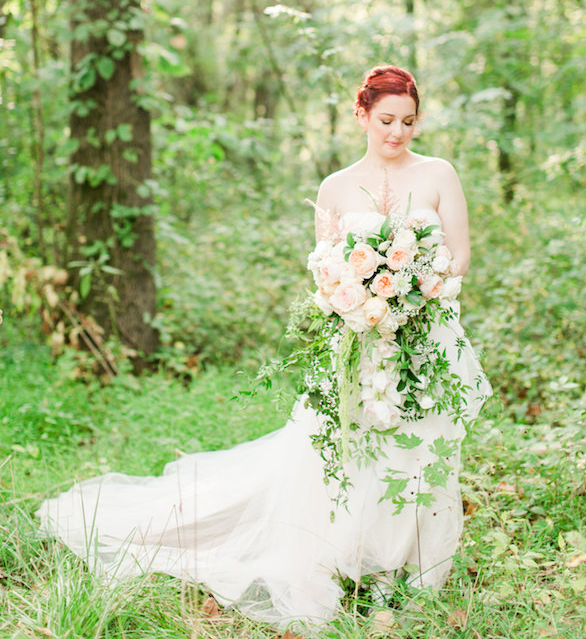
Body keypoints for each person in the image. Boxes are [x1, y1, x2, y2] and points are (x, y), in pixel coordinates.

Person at [37, 65, 491, 630]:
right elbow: (328, 271)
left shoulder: (439, 174)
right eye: (385, 121)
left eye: (408, 122)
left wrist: (412, 290)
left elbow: (461, 255)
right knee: (353, 444)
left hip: (424, 331)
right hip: (360, 336)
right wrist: (365, 300)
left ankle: (409, 569)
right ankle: (356, 557)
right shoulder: (335, 187)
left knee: (421, 441)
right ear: (361, 116)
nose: (396, 133)